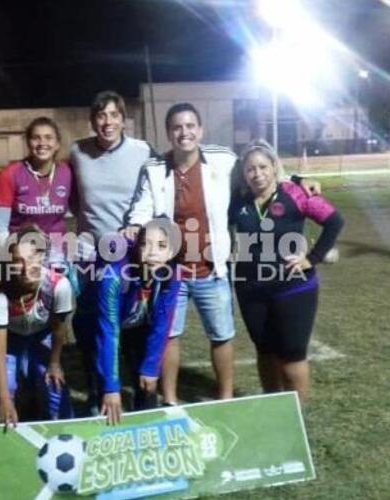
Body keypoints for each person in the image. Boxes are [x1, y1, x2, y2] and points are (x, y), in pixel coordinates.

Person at [124, 103, 238, 405]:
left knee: (221, 335)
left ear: (200, 130)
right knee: (168, 335)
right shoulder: (154, 168)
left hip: (212, 270)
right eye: (177, 127)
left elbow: (261, 167)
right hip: (172, 273)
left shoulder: (223, 160)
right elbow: (142, 207)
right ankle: (170, 399)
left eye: (190, 126)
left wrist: (296, 181)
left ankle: (226, 399)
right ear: (168, 133)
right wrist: (134, 224)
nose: (184, 132)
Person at [229, 140, 344, 401]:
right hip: (250, 290)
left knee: (292, 354)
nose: (257, 174)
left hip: (294, 288)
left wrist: (312, 258)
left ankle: (296, 414)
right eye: (250, 169)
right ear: (243, 173)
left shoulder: (295, 193)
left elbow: (335, 221)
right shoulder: (237, 199)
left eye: (263, 167)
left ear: (274, 167)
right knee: (265, 352)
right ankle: (273, 408)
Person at [69, 90, 156, 414]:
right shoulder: (77, 151)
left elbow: (159, 185)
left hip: (129, 254)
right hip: (90, 255)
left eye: (114, 115)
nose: (108, 122)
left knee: (134, 324)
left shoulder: (142, 150)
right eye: (101, 115)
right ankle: (97, 391)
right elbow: (74, 197)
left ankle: (143, 396)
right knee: (90, 325)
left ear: (123, 119)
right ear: (93, 120)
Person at [96, 220, 181, 425]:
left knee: (147, 388)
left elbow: (162, 324)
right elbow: (108, 332)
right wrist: (111, 388)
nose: (152, 253)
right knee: (104, 395)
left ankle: (145, 426)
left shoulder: (173, 275)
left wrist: (150, 368)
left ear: (171, 251)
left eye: (161, 246)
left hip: (137, 325)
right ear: (137, 247)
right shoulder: (114, 277)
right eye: (145, 244)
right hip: (102, 328)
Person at [0, 225, 73, 428]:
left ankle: (57, 424)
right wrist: (4, 397)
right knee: (5, 388)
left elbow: (59, 328)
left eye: (32, 258)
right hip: (11, 338)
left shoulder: (59, 286)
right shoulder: (1, 294)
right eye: (18, 260)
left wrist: (54, 363)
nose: (26, 268)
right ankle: (3, 426)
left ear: (42, 258)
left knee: (53, 384)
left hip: (42, 335)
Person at [0, 116, 72, 266]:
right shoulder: (10, 174)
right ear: (28, 142)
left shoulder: (67, 172)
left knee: (61, 282)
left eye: (48, 138)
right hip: (21, 255)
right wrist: (13, 258)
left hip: (56, 254)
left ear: (57, 144)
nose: (42, 143)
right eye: (36, 138)